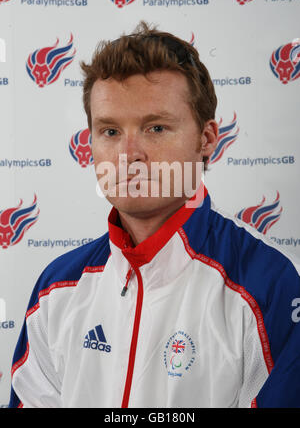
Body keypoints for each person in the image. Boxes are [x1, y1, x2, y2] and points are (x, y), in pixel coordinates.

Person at [9, 22, 300, 408]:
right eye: (110, 131)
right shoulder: (55, 289)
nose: (129, 155)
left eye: (156, 127)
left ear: (207, 139)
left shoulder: (271, 284)